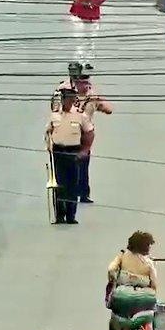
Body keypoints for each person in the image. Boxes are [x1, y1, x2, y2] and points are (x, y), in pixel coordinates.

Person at [106, 231, 158, 330]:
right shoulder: (149, 263)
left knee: (117, 324)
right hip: (142, 299)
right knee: (142, 327)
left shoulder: (123, 255)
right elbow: (154, 283)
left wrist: (114, 280)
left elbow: (111, 268)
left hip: (123, 296)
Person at [46, 88, 93, 225]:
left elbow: (89, 133)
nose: (69, 101)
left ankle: (71, 216)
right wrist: (48, 145)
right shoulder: (54, 116)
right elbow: (48, 132)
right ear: (62, 99)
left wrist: (85, 150)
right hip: (58, 152)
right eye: (66, 98)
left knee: (73, 184)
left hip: (73, 152)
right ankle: (59, 216)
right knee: (59, 184)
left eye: (71, 99)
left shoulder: (80, 115)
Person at [72, 74, 111, 203]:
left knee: (83, 163)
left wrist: (99, 102)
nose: (85, 85)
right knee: (69, 164)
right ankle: (71, 192)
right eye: (82, 82)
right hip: (70, 132)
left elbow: (109, 109)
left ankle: (83, 193)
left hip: (85, 133)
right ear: (76, 83)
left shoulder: (92, 97)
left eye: (86, 82)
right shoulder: (69, 96)